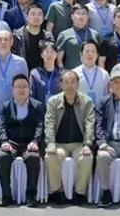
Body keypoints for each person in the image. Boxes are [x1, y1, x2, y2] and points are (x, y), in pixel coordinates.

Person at [41, 70, 96, 205]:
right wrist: (50, 143)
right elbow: (49, 124)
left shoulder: (87, 101)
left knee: (86, 157)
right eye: (66, 82)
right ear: (61, 85)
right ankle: (56, 191)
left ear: (78, 84)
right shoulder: (53, 102)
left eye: (73, 82)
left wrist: (88, 144)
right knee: (51, 156)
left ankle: (79, 193)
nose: (69, 85)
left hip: (79, 144)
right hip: (59, 144)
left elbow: (90, 124)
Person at [0, 74, 46, 207]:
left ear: (29, 89)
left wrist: (35, 141)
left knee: (33, 158)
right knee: (3, 156)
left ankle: (31, 196)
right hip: (11, 143)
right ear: (12, 89)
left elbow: (40, 126)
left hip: (29, 143)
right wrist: (4, 142)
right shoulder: (5, 106)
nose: (21, 90)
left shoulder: (37, 106)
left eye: (24, 86)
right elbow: (1, 126)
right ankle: (6, 195)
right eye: (18, 87)